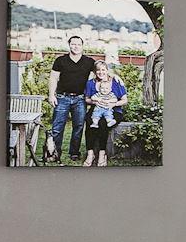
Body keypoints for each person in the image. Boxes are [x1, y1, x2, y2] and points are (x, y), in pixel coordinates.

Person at [45, 36, 98, 164]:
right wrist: (51, 95)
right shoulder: (60, 60)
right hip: (62, 97)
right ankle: (54, 153)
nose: (76, 47)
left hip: (80, 99)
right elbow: (53, 78)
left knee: (78, 127)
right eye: (73, 44)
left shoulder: (89, 61)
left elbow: (102, 70)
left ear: (82, 46)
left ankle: (74, 152)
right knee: (57, 127)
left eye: (78, 44)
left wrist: (114, 77)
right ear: (69, 45)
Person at [82, 63, 127, 167]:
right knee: (89, 121)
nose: (100, 72)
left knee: (103, 123)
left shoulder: (116, 81)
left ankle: (102, 154)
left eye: (103, 70)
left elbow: (125, 100)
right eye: (98, 70)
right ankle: (90, 154)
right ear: (95, 71)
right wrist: (95, 102)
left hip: (113, 110)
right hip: (97, 109)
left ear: (107, 70)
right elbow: (87, 99)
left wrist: (113, 104)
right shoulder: (91, 83)